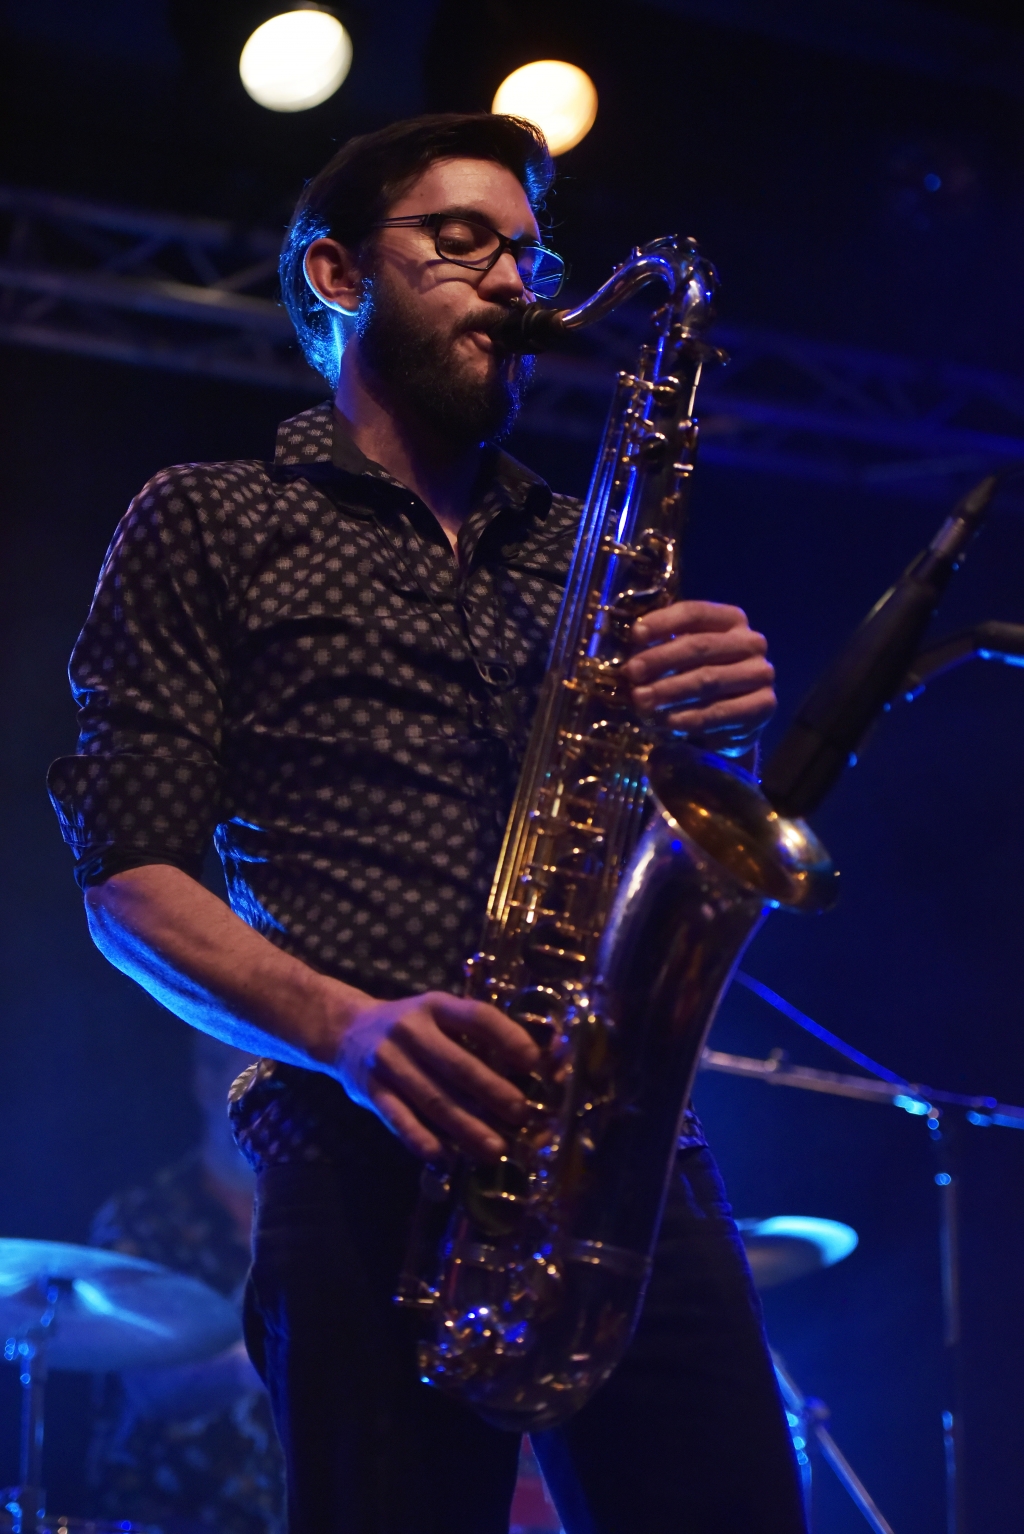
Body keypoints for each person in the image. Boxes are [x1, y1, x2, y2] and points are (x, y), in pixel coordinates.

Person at [48, 113, 799, 1533]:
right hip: (356, 1153)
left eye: (529, 250)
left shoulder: (594, 548)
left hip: (626, 1156)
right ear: (336, 273)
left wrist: (724, 736)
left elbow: (661, 849)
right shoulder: (209, 518)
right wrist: (349, 1027)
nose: (514, 281)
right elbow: (128, 878)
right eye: (462, 244)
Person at [87, 1034, 285, 1534]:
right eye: (256, 1083)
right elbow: (151, 1386)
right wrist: (280, 1352)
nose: (274, 1109)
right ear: (207, 1080)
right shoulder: (144, 1218)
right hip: (171, 1515)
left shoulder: (317, 1227)